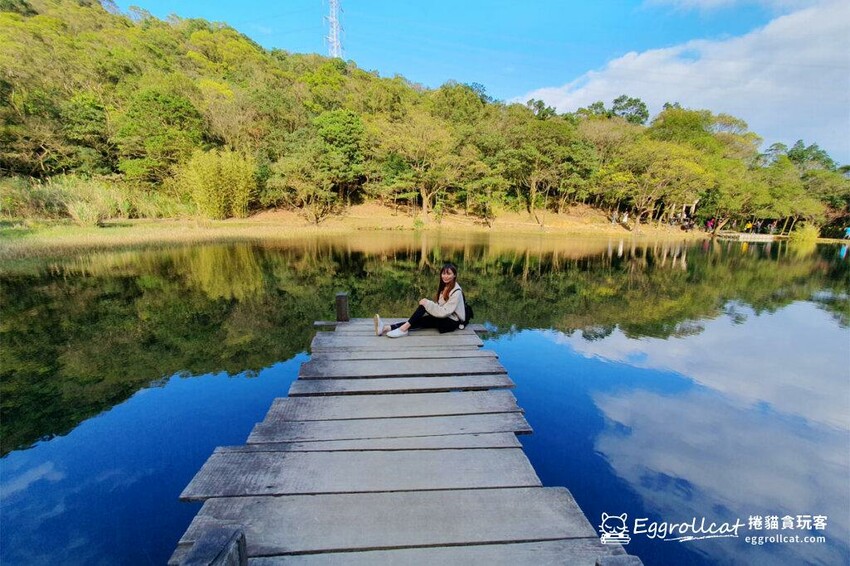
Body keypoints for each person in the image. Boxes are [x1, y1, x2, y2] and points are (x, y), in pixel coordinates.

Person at [374, 263, 466, 338]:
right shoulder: (445, 286)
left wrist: (428, 304)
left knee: (423, 308)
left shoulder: (456, 291)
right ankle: (386, 328)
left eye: (448, 274)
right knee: (419, 320)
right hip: (445, 318)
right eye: (443, 273)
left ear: (454, 275)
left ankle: (402, 330)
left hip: (451, 322)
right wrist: (429, 305)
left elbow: (445, 312)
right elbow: (440, 306)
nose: (445, 276)